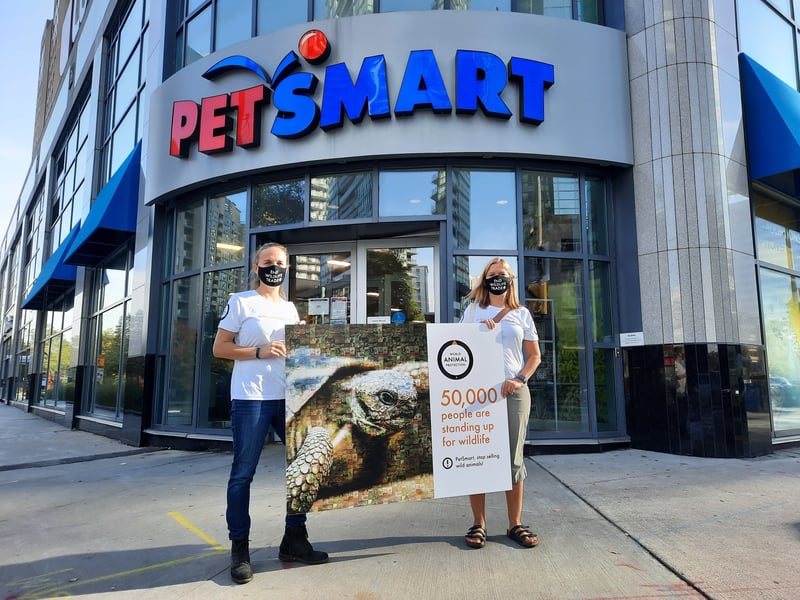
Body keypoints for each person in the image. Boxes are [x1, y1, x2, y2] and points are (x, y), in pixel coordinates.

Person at [213, 242, 328, 585]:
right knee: (243, 473)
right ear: (256, 267)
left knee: (301, 471)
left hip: (287, 397)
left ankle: (294, 539)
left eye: (279, 262)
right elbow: (219, 348)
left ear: (287, 268)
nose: (273, 266)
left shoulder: (291, 308)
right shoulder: (241, 301)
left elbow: (292, 355)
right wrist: (259, 350)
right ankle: (240, 548)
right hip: (251, 398)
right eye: (267, 261)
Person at [459, 257, 542, 549]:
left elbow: (534, 356)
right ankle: (479, 523)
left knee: (513, 457)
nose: (498, 278)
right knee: (478, 455)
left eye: (503, 275)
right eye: (493, 274)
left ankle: (514, 523)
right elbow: (458, 348)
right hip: (479, 395)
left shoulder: (522, 314)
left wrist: (520, 378)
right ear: (485, 280)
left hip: (513, 392)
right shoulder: (472, 311)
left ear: (511, 280)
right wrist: (478, 332)